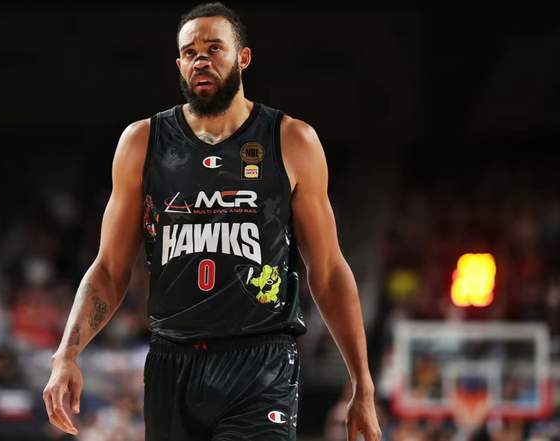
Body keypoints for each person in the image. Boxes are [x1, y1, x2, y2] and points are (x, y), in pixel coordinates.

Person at [42, 2, 381, 440]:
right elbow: (109, 269)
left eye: (214, 48)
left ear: (243, 58)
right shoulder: (143, 142)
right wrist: (66, 355)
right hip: (172, 361)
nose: (201, 60)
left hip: (260, 362)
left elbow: (330, 270)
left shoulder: (291, 140)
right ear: (179, 65)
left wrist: (362, 384)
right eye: (190, 52)